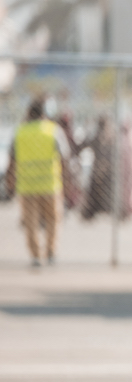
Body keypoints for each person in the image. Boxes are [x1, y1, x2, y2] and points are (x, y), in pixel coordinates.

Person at [6, 97, 69, 266]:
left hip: (27, 186)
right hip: (50, 184)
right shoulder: (53, 130)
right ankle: (51, 251)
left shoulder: (20, 132)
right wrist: (68, 181)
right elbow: (64, 158)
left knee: (30, 222)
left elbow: (12, 158)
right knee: (53, 220)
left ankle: (35, 256)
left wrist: (9, 179)